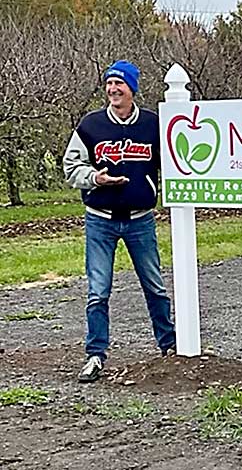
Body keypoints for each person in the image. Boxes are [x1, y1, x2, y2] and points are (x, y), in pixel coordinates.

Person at [63, 60, 175, 383]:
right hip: (100, 220)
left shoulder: (153, 125)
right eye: (110, 84)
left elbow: (173, 162)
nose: (113, 89)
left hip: (141, 220)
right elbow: (71, 167)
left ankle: (168, 346)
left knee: (154, 284)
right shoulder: (91, 125)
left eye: (120, 84)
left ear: (132, 89)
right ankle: (95, 354)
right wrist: (94, 177)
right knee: (98, 290)